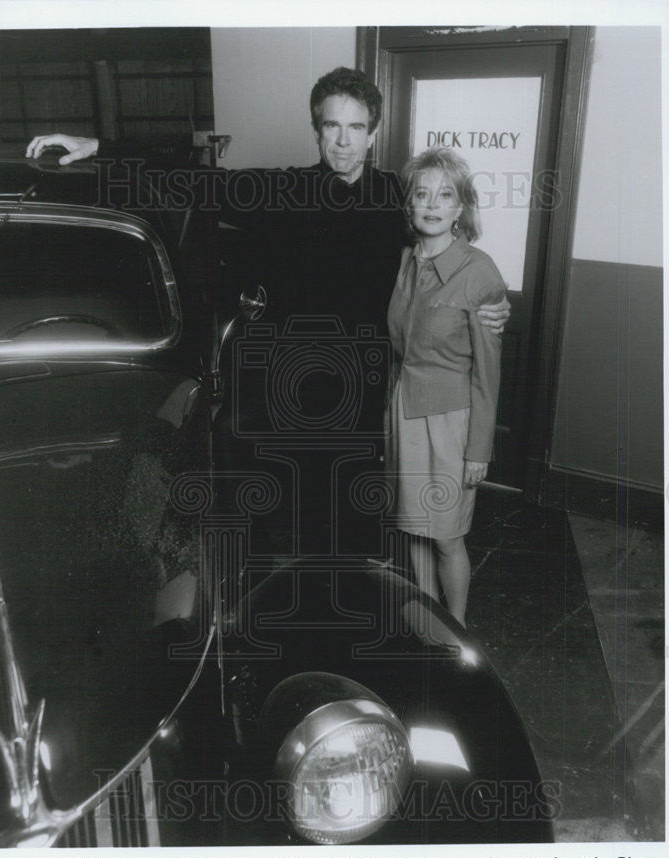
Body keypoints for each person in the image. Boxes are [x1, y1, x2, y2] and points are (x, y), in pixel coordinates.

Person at [27, 68, 510, 557]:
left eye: (356, 128)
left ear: (374, 132)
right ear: (316, 129)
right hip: (292, 381)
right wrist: (102, 148)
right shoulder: (285, 191)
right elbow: (198, 183)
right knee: (280, 512)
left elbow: (446, 240)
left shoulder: (395, 197)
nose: (343, 142)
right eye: (331, 126)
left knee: (348, 520)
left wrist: (488, 302)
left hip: (363, 384)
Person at [385, 146, 507, 627]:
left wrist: (478, 451)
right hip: (403, 412)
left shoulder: (479, 273)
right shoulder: (403, 262)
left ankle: (455, 633)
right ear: (410, 205)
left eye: (445, 195)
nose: (432, 204)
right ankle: (426, 624)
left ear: (461, 208)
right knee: (414, 531)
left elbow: (487, 374)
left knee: (446, 536)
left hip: (451, 424)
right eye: (422, 193)